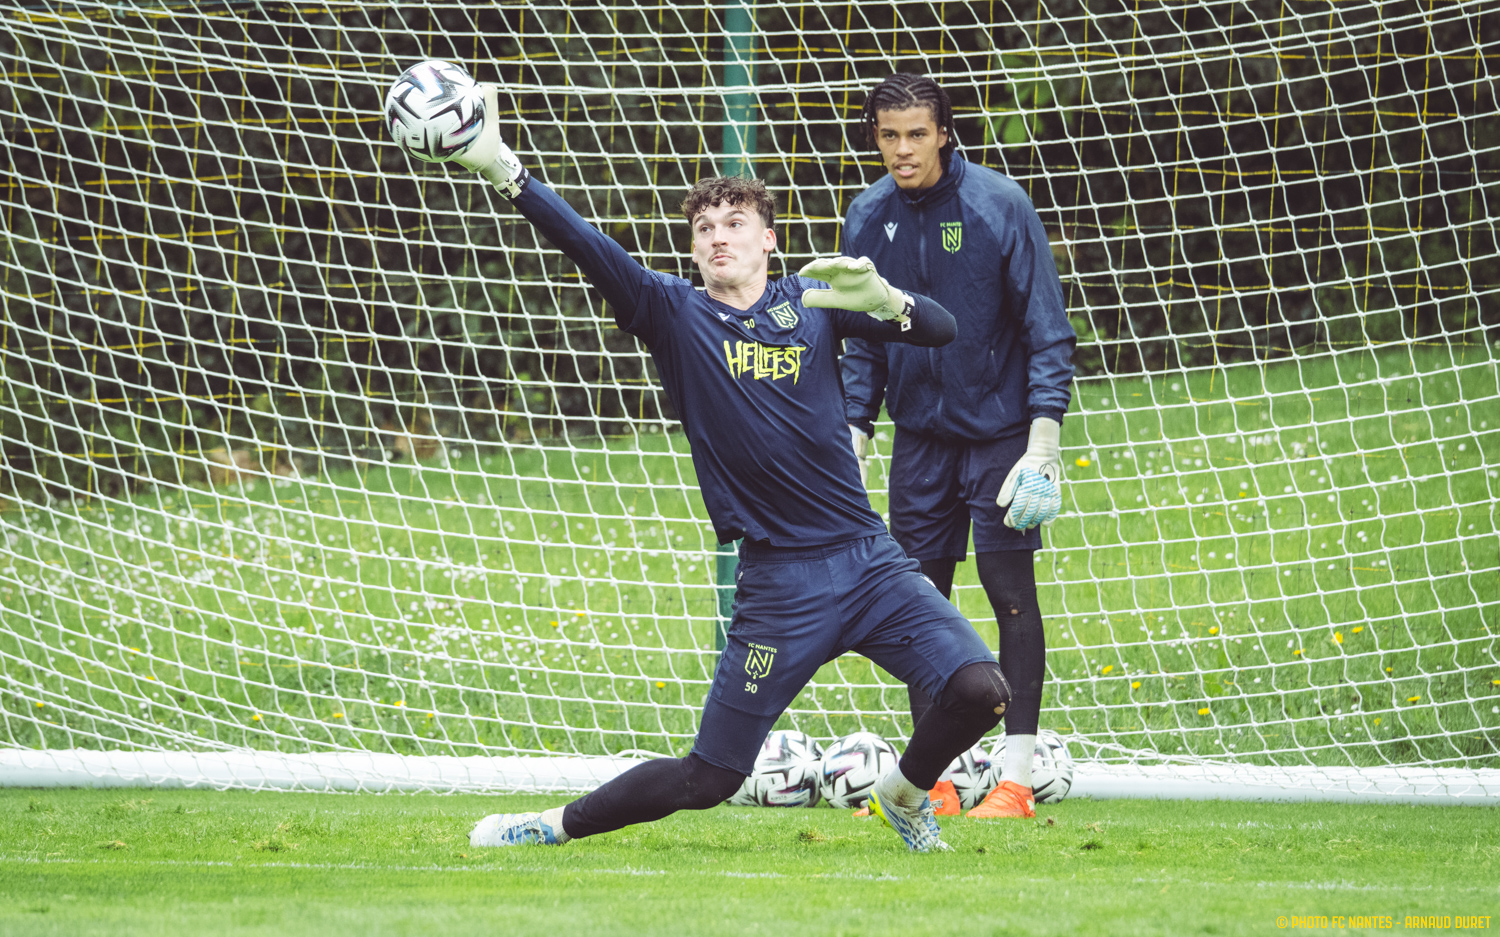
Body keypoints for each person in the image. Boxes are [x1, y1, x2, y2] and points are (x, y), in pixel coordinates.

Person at [395, 78, 1013, 853]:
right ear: (693, 250)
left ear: (769, 239)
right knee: (711, 776)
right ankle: (547, 825)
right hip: (780, 586)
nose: (719, 236)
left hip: (869, 563)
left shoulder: (815, 301)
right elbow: (586, 245)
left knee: (979, 688)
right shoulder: (674, 313)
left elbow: (944, 330)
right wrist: (502, 168)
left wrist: (891, 300)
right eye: (704, 227)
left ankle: (903, 794)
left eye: (736, 222)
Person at [840, 73, 1077, 819]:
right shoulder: (866, 215)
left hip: (1001, 440)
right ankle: (932, 782)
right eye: (889, 135)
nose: (903, 150)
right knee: (921, 606)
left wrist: (1043, 442)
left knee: (1011, 596)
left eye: (917, 133)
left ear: (944, 133)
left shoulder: (999, 205)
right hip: (919, 447)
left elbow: (1047, 330)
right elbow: (863, 339)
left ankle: (1016, 782)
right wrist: (853, 430)